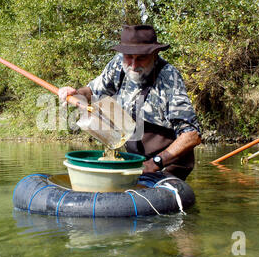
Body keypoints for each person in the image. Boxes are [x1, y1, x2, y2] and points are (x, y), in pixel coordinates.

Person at [59, 25, 201, 184]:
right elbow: (91, 91)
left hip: (166, 166)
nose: (133, 65)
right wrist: (75, 93)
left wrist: (154, 163)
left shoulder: (169, 78)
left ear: (154, 54)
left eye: (141, 58)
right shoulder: (117, 65)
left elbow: (191, 135)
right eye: (129, 57)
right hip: (135, 161)